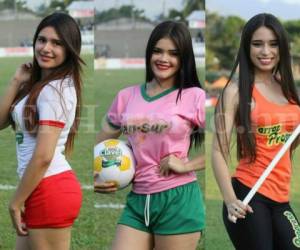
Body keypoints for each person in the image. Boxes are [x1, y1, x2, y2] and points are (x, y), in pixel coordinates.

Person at [94, 21, 206, 250]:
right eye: (158, 51)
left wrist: (187, 165)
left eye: (173, 53)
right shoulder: (126, 96)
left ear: (183, 58)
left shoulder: (194, 96)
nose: (163, 58)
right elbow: (101, 144)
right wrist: (97, 174)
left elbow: (225, 145)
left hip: (178, 200)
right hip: (137, 199)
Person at [212, 13, 300, 250]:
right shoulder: (234, 92)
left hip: (281, 198)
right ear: (247, 46)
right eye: (257, 43)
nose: (266, 51)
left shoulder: (289, 90)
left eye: (273, 44)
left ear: (281, 47)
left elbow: (287, 143)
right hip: (247, 196)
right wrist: (230, 200)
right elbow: (219, 152)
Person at [0, 12, 84, 250]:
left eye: (57, 43)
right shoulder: (42, 85)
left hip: (49, 190)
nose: (46, 48)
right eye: (42, 40)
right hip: (39, 188)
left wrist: (16, 202)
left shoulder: (54, 91)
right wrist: (16, 81)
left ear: (69, 49)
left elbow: (44, 155)